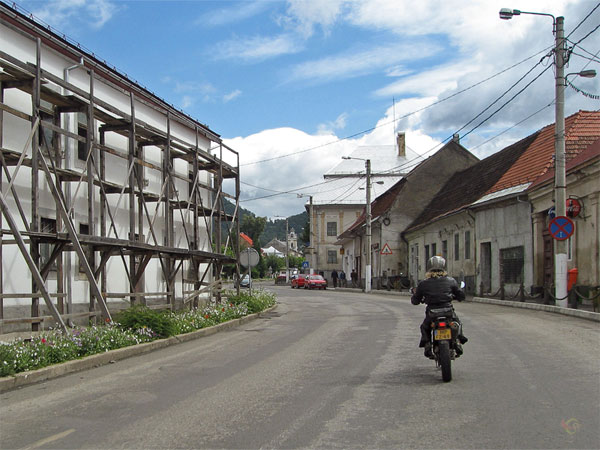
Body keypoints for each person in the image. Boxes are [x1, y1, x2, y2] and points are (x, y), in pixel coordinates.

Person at [410, 256, 468, 359]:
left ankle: (427, 345)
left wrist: (417, 298)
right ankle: (458, 341)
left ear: (428, 268)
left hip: (432, 312)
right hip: (448, 310)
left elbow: (415, 301)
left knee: (425, 327)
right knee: (457, 323)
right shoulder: (451, 281)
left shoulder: (423, 283)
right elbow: (461, 296)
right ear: (444, 267)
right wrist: (458, 296)